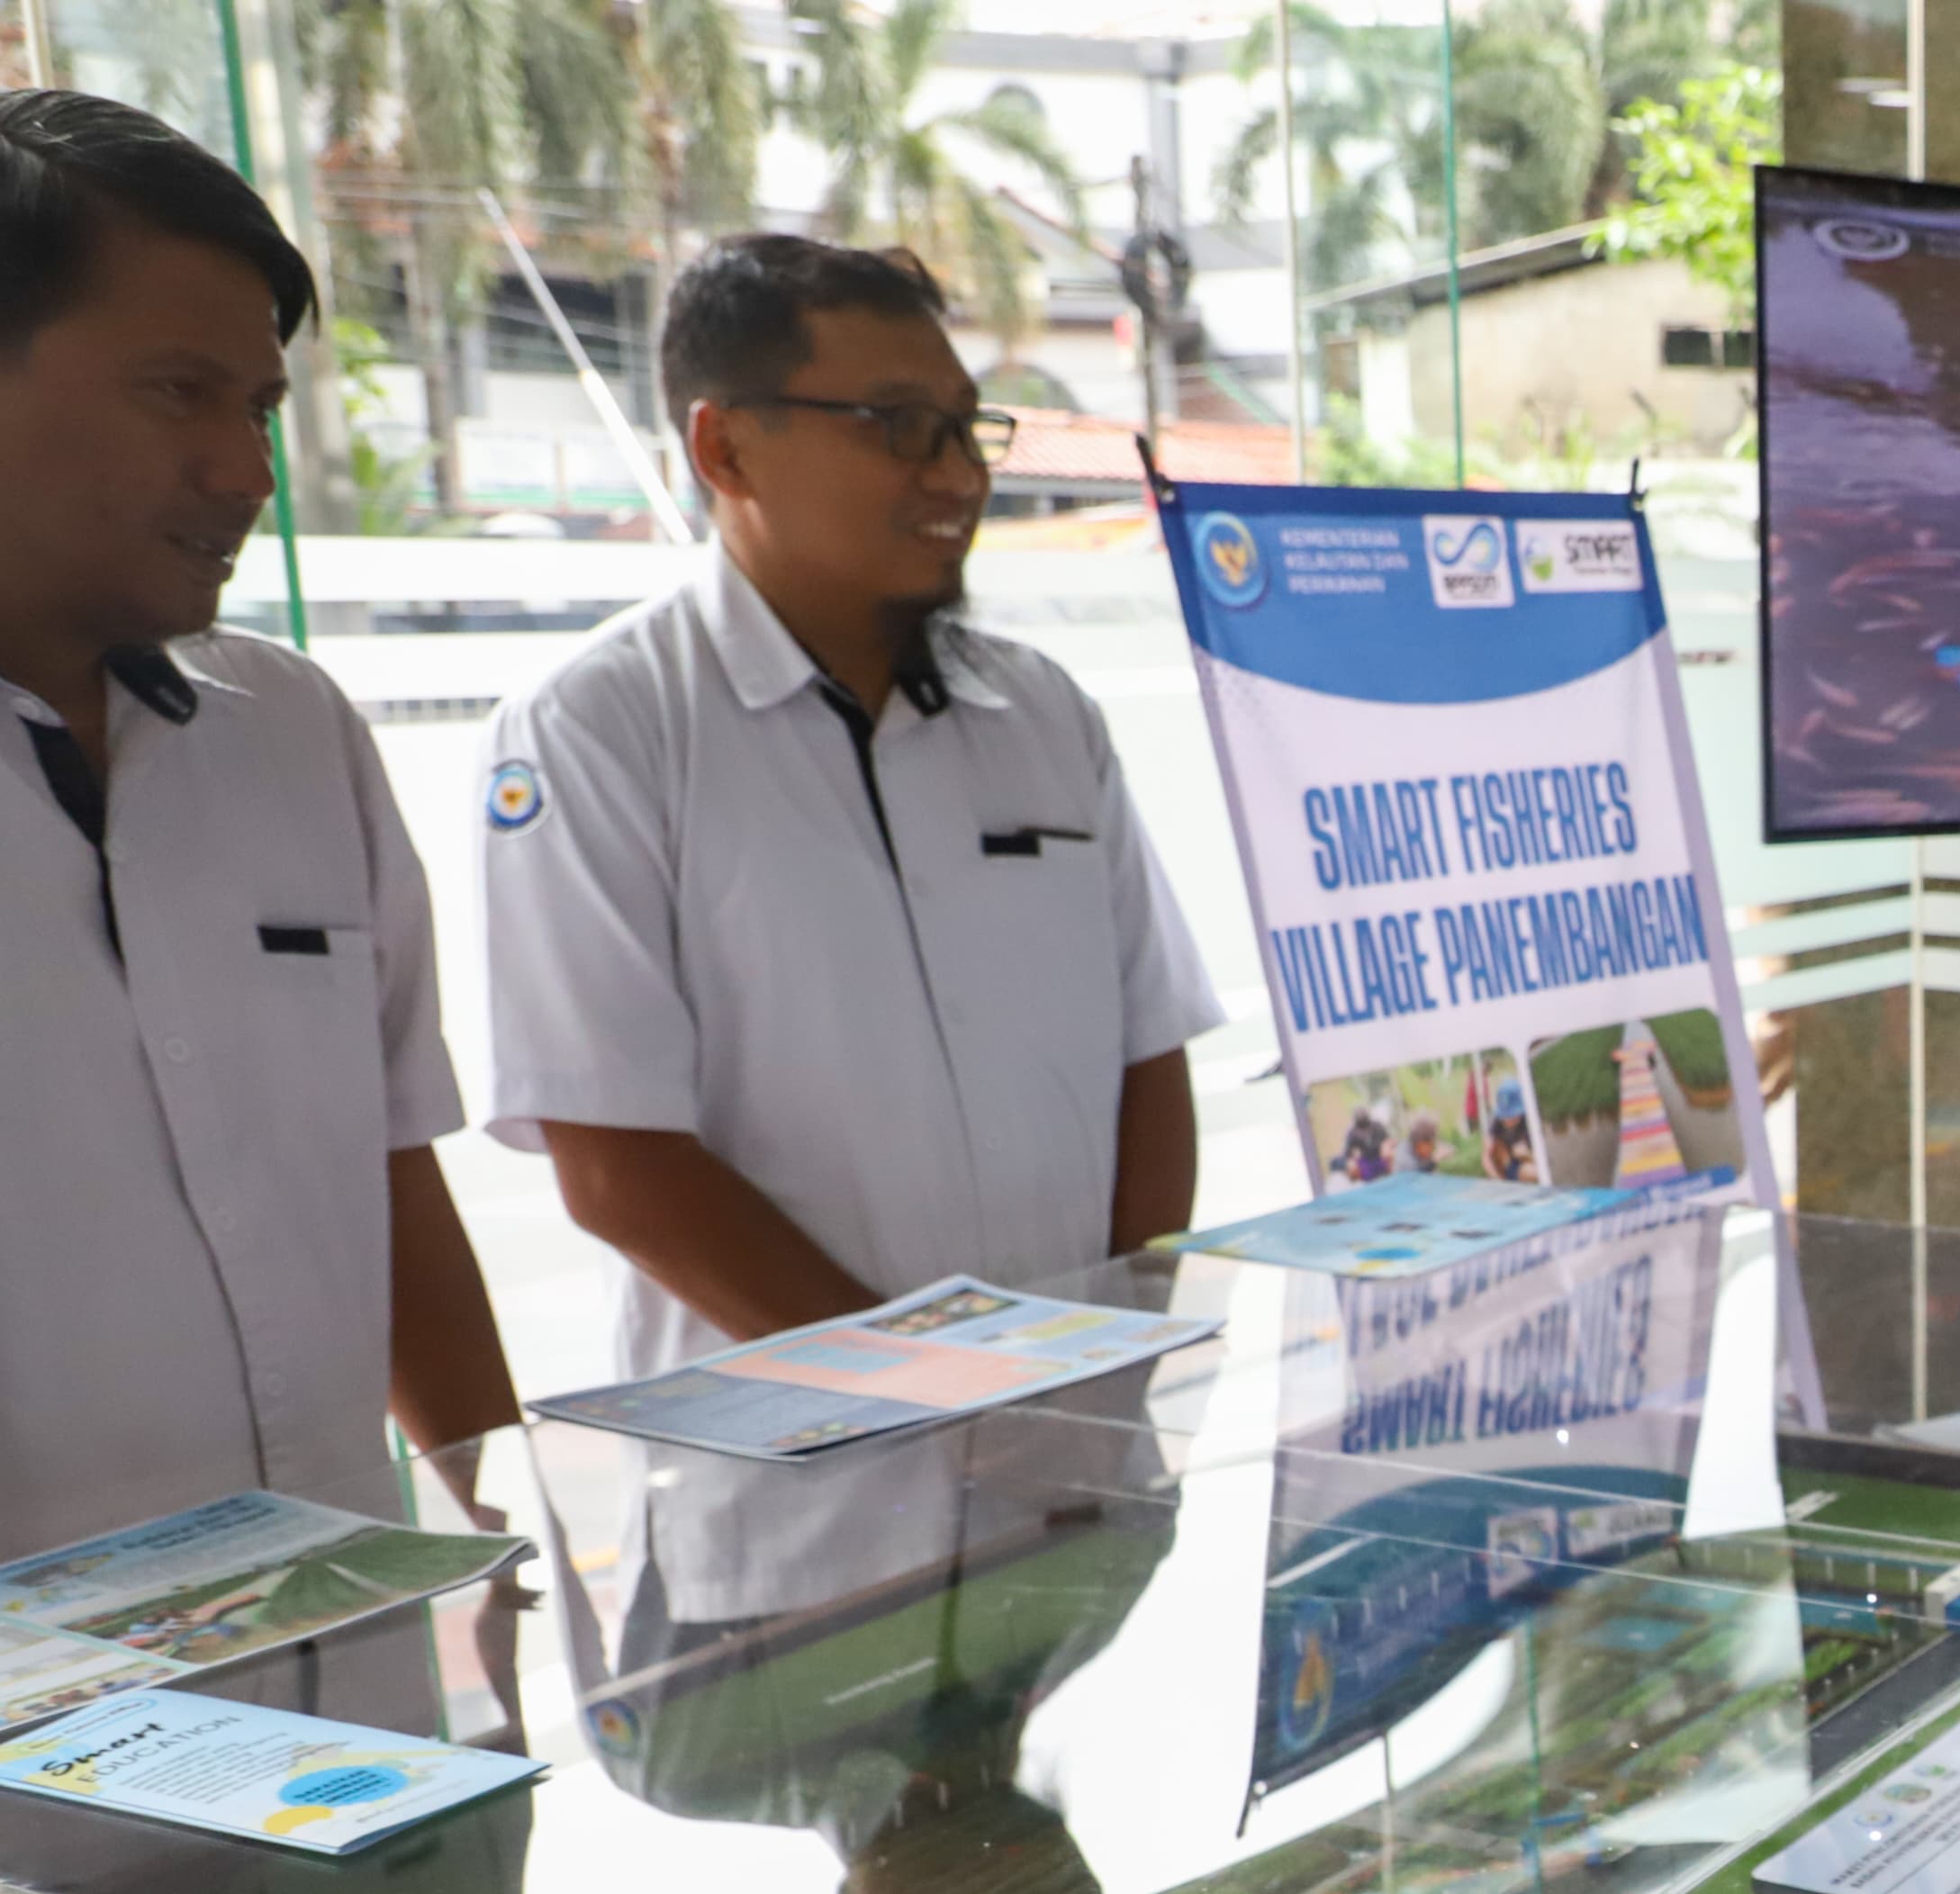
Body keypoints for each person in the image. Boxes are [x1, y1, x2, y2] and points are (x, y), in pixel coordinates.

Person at [482, 235, 1223, 1425]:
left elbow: (1149, 1058)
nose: (957, 479)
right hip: (789, 1511)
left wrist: (1114, 1359)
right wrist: (940, 1399)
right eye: (894, 426)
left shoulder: (1041, 715)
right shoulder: (600, 731)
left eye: (967, 428)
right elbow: (621, 1170)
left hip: (1074, 1465)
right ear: (725, 446)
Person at [0, 89, 516, 1565]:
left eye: (261, 406)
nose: (248, 473)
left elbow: (392, 1174)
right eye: (178, 392)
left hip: (355, 1708)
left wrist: (509, 1543)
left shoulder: (290, 735)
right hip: (42, 1765)